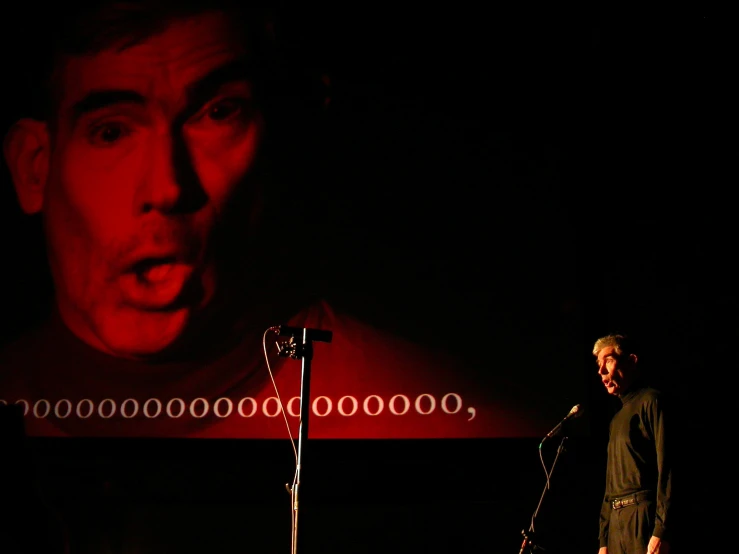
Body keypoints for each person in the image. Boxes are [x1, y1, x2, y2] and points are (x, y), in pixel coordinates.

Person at [0, 0, 563, 441]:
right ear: (34, 168)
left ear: (283, 140)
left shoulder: (453, 429)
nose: (167, 188)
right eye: (111, 131)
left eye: (218, 113)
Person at [593, 333, 673, 554]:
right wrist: (604, 539)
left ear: (631, 361)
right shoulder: (616, 419)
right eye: (599, 364)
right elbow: (610, 484)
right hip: (617, 525)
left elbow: (668, 468)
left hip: (643, 518)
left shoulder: (651, 401)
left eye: (608, 361)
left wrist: (661, 530)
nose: (601, 371)